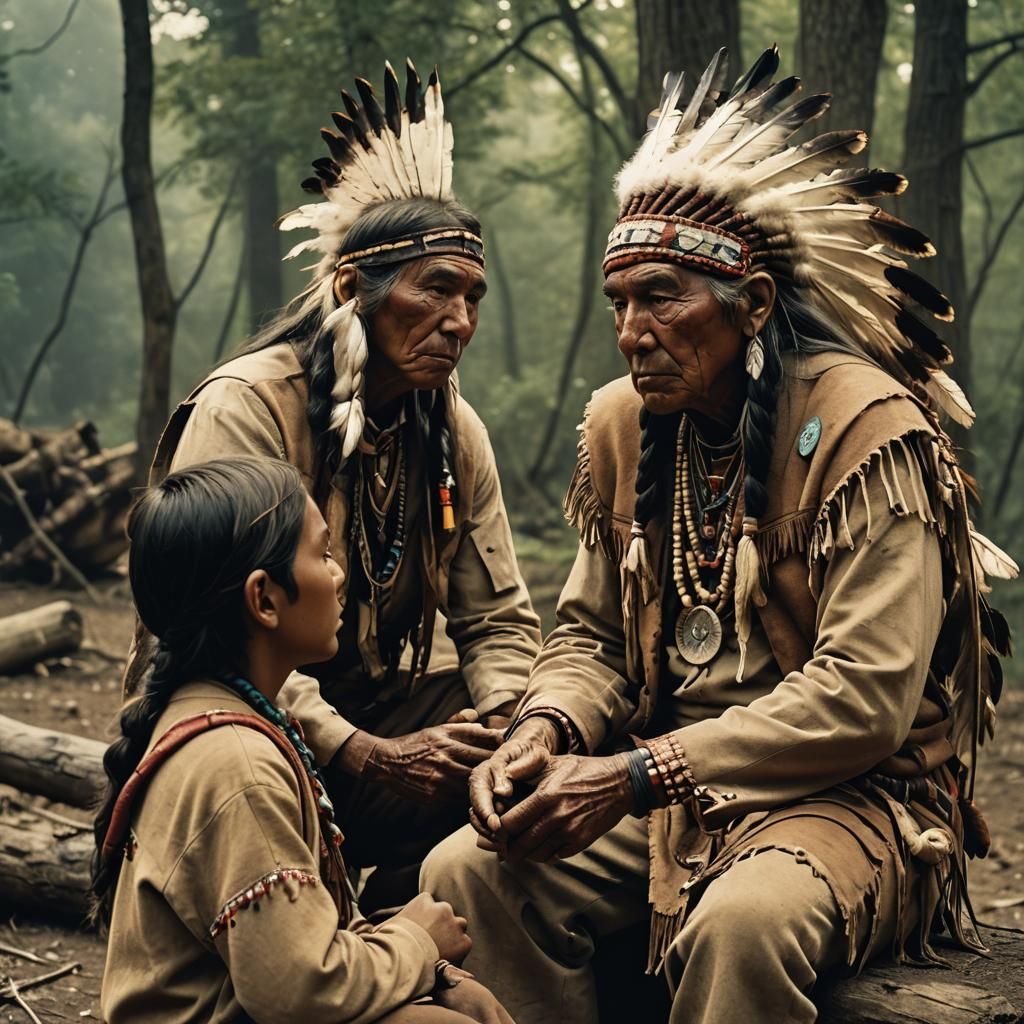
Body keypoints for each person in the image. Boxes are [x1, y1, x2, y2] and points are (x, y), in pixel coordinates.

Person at [421, 46, 1016, 1024]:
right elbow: (590, 637)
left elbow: (864, 696)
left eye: (660, 295)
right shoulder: (622, 425)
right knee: (468, 868)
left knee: (740, 923)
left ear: (753, 303)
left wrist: (636, 771)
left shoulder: (866, 433)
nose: (632, 329)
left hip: (854, 799)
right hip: (664, 787)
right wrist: (546, 727)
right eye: (620, 302)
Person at [122, 61, 541, 911]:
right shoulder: (249, 410)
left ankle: (399, 901)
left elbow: (496, 618)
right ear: (353, 289)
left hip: (374, 713)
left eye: (473, 297)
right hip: (241, 723)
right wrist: (359, 751)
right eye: (437, 291)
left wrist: (512, 728)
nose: (461, 323)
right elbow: (212, 641)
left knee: (543, 732)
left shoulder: (452, 431)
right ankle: (350, 916)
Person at [94, 456, 515, 1024]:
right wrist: (417, 944)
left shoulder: (242, 721)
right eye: (321, 554)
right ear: (264, 599)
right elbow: (298, 989)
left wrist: (433, 973)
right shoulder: (237, 765)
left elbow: (305, 932)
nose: (339, 573)